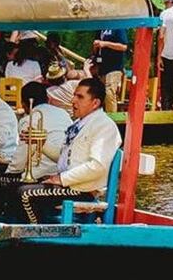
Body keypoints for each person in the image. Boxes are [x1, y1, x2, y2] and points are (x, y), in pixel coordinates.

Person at [14, 77, 122, 224]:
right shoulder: (79, 123)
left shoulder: (104, 125)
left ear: (95, 103)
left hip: (82, 190)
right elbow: (63, 158)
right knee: (19, 185)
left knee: (24, 194)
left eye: (80, 97)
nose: (73, 101)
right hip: (69, 186)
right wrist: (40, 143)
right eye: (74, 95)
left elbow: (97, 167)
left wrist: (62, 179)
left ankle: (35, 236)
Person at [5, 82, 73, 179]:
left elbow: (19, 162)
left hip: (39, 175)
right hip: (64, 172)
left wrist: (6, 174)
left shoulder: (28, 120)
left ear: (23, 104)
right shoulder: (64, 114)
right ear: (48, 99)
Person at [93, 27, 128, 112]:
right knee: (99, 94)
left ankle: (112, 119)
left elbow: (123, 47)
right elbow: (97, 47)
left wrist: (105, 44)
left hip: (114, 66)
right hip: (101, 66)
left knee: (109, 93)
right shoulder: (100, 28)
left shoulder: (118, 27)